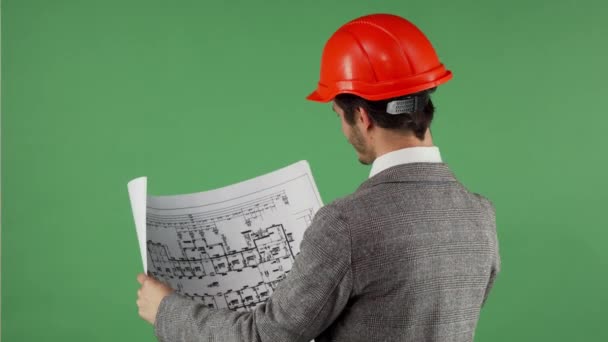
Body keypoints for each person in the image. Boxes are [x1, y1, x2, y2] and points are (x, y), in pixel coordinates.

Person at [136, 13, 500, 342]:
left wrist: (165, 310)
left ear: (362, 116)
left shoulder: (346, 225)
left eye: (338, 114)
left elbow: (265, 337)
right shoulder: (480, 216)